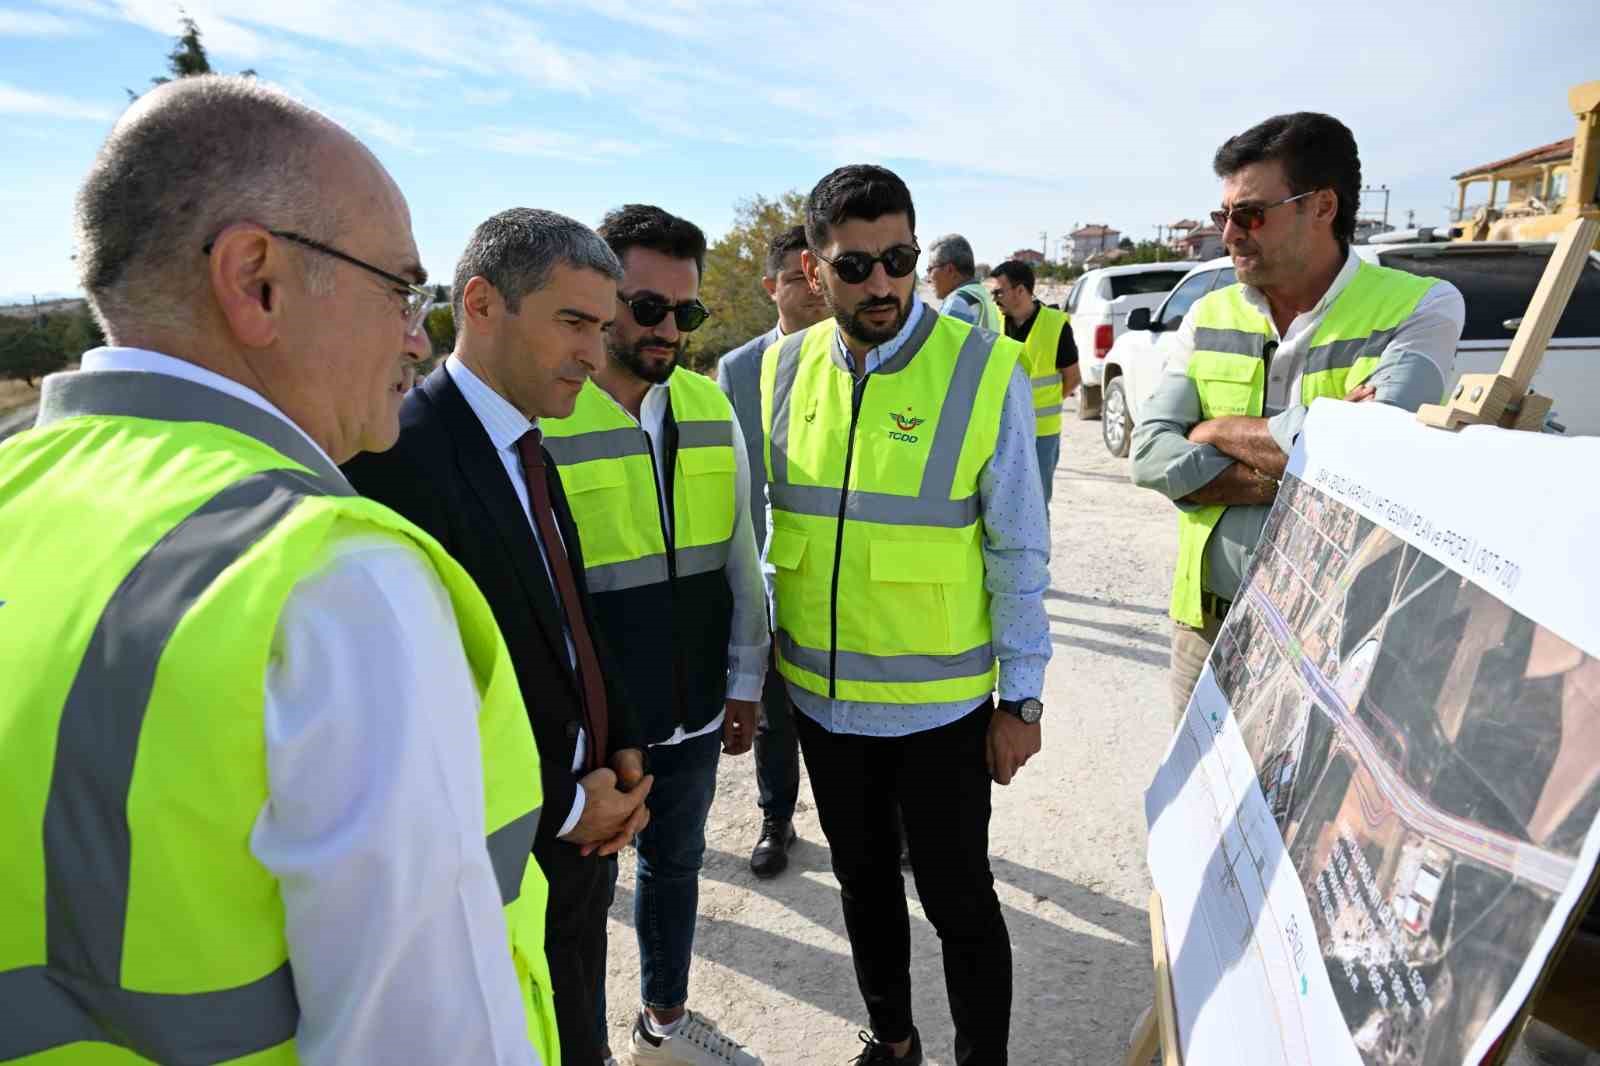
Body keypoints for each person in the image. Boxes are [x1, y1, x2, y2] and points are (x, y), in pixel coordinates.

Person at [0, 76, 557, 1064]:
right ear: (256, 279)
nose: (415, 336)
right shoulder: (331, 577)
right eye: (401, 288)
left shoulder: (19, 485)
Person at [342, 208, 652, 1066]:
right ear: (481, 302)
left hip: (580, 848)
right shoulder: (392, 460)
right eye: (574, 324)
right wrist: (563, 801)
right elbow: (396, 716)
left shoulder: (529, 447)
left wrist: (621, 751)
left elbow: (563, 621)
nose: (596, 354)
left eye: (604, 327)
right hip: (490, 865)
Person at [763, 164, 1051, 1065]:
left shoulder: (980, 367)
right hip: (823, 702)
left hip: (943, 711)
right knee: (862, 888)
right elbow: (771, 531)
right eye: (855, 266)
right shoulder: (780, 366)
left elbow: (1017, 549)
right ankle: (893, 1039)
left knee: (961, 901)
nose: (881, 283)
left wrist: (1023, 698)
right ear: (815, 270)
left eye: (898, 259)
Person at [1130, 112, 1464, 722]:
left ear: (1322, 206)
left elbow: (1370, 450)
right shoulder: (1209, 314)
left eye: (1250, 214)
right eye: (1222, 216)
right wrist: (1299, 462)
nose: (1230, 234)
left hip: (1340, 639)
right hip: (1208, 621)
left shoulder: (1419, 307)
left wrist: (1216, 429)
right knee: (1196, 805)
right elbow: (1150, 454)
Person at [541, 204, 767, 1066]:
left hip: (698, 712)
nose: (669, 328)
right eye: (647, 307)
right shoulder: (549, 417)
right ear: (604, 302)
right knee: (582, 893)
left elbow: (742, 556)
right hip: (596, 733)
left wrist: (745, 679)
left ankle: (663, 1026)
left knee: (676, 869)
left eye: (687, 311)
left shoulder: (711, 408)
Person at [715, 224, 827, 878]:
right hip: (768, 575)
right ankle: (776, 819)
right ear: (770, 287)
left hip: (841, 577)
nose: (811, 294)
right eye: (795, 280)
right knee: (774, 718)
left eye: (818, 279)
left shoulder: (860, 361)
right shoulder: (739, 370)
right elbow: (733, 486)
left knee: (854, 717)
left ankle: (888, 825)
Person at [987, 259, 1079, 513]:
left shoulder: (1055, 324)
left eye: (998, 292)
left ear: (1020, 290)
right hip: (1000, 429)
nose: (994, 298)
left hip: (1042, 434)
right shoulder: (994, 322)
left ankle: (1039, 554)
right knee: (1000, 500)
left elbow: (1072, 377)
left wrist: (1044, 404)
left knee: (1036, 503)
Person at [926, 233, 1002, 331]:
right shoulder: (982, 295)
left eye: (930, 269)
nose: (928, 278)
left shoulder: (958, 302)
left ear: (950, 270)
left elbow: (940, 344)